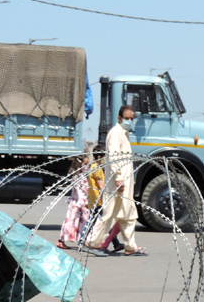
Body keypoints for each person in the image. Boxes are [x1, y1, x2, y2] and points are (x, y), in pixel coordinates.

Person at [89, 105, 147, 257]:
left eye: (132, 119)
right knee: (109, 213)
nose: (129, 121)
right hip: (118, 182)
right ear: (119, 118)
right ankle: (93, 243)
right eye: (127, 118)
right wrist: (119, 178)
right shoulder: (115, 133)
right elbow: (114, 157)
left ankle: (130, 247)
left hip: (125, 183)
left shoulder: (124, 133)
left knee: (129, 214)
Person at [81, 145, 123, 253]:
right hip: (98, 200)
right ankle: (82, 242)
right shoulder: (98, 169)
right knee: (103, 221)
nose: (105, 159)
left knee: (101, 221)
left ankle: (116, 244)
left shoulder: (92, 166)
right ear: (99, 156)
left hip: (93, 198)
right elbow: (101, 187)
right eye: (104, 156)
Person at [57, 154, 91, 249]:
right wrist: (83, 202)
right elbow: (79, 190)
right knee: (72, 222)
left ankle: (82, 241)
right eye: (85, 164)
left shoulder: (81, 175)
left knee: (80, 222)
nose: (87, 166)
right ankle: (61, 241)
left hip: (81, 201)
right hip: (78, 202)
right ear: (80, 164)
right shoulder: (77, 176)